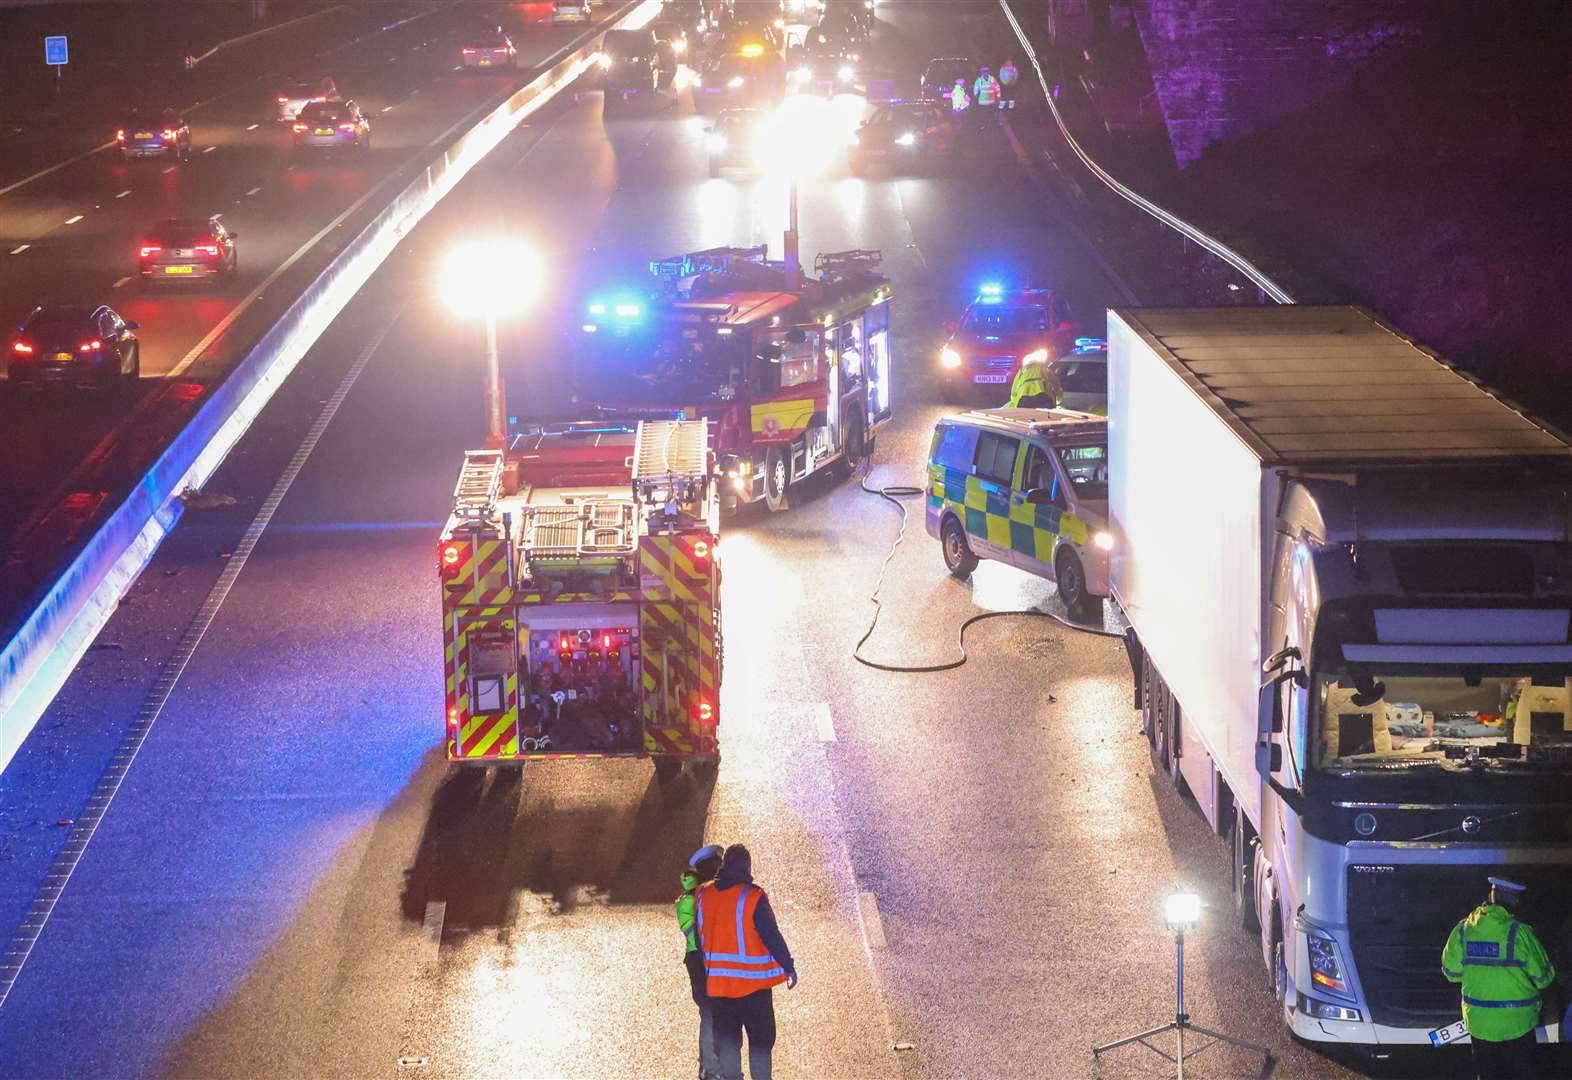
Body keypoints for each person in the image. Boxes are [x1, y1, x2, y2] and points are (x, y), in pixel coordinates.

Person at [1441, 876, 1557, 1080]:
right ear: (1516, 902)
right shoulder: (1521, 933)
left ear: (1490, 896)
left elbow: (1450, 973)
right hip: (1518, 1025)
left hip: (1480, 1024)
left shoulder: (1463, 930)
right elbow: (1544, 978)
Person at [698, 844, 796, 1080]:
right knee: (761, 1044)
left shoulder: (704, 895)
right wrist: (788, 965)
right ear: (746, 868)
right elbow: (771, 935)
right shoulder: (751, 897)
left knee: (729, 1045)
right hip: (754, 991)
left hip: (719, 989)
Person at [678, 843, 726, 1080]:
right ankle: (710, 1069)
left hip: (701, 961)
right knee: (710, 1013)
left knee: (713, 1014)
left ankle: (711, 1065)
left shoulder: (695, 897)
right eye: (717, 866)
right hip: (702, 961)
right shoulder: (695, 899)